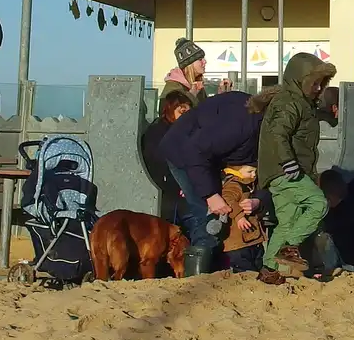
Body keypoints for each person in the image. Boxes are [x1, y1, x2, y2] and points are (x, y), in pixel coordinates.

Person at [160, 87, 267, 276]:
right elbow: (195, 150)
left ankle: (214, 272)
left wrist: (259, 198)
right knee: (207, 218)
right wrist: (210, 194)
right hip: (184, 153)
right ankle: (196, 282)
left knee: (218, 218)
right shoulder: (242, 123)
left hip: (203, 155)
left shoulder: (255, 119)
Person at [255, 52, 336, 284]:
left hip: (279, 171)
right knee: (318, 204)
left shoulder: (300, 102)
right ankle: (289, 249)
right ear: (301, 80)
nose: (319, 87)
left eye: (322, 83)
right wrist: (288, 162)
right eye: (315, 82)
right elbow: (278, 133)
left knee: (287, 220)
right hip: (286, 170)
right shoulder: (289, 102)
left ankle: (269, 270)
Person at [141, 89, 195, 195]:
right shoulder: (158, 132)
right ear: (170, 109)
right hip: (168, 188)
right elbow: (161, 162)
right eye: (182, 112)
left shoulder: (183, 130)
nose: (187, 117)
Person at [162, 38, 209, 108]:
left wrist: (222, 96)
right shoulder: (173, 89)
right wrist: (191, 96)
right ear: (189, 64)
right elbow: (175, 117)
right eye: (200, 59)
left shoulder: (198, 86)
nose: (205, 62)